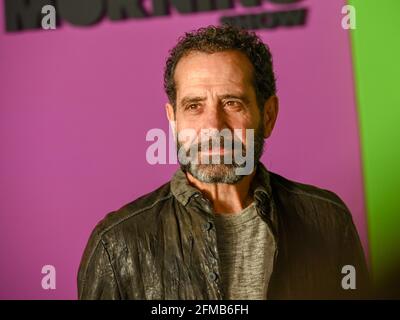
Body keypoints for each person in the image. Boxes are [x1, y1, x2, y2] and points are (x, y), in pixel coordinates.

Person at [78, 25, 369, 299]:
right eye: (194, 106)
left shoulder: (327, 220)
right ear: (173, 120)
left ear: (267, 116)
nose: (213, 126)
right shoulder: (116, 245)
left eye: (232, 103)